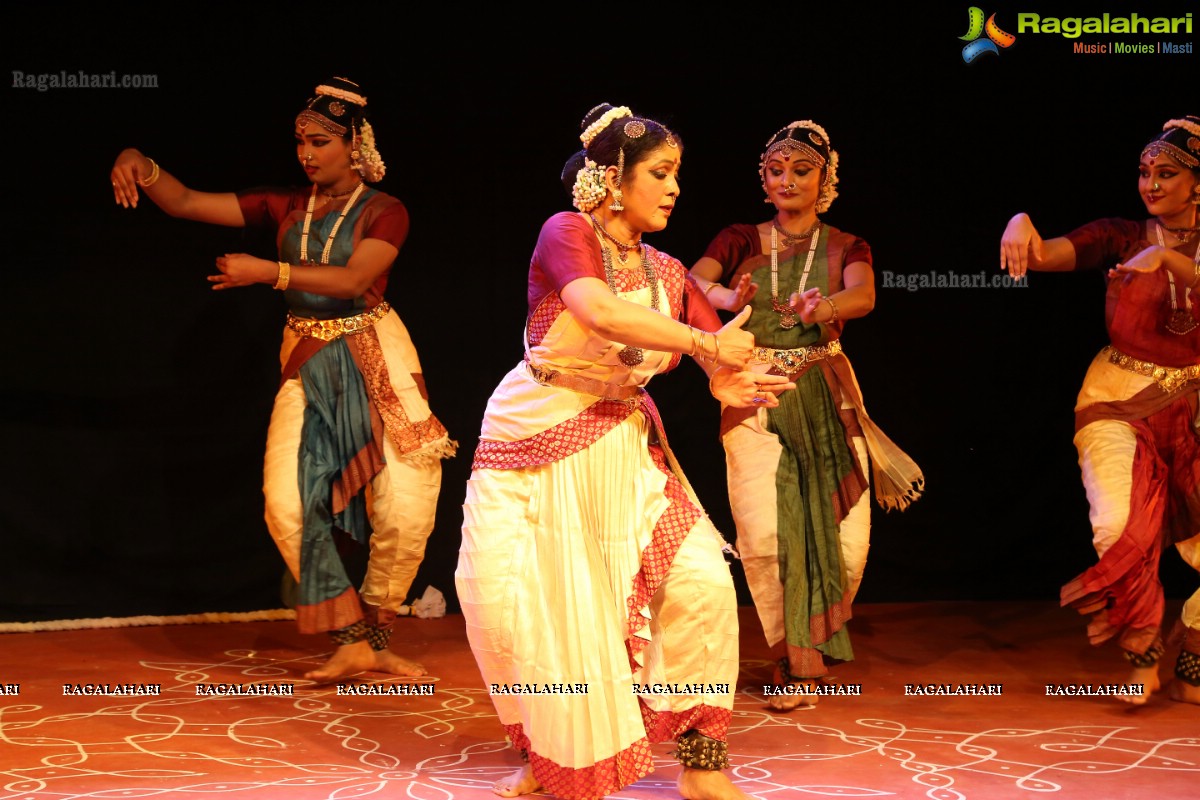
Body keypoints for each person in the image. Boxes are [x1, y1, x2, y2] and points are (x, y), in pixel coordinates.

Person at [455, 103, 792, 800]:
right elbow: (599, 310)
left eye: (677, 176)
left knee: (699, 581)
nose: (674, 189)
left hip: (622, 442)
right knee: (518, 602)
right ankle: (550, 755)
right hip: (533, 435)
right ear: (613, 178)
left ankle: (703, 762)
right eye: (661, 173)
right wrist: (704, 344)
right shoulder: (566, 233)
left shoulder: (669, 274)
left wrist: (735, 378)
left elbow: (717, 361)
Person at [110, 77, 456, 684]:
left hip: (377, 350)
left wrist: (266, 272)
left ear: (353, 144)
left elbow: (352, 281)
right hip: (306, 356)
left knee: (406, 502)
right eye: (300, 142)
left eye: (319, 141)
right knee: (284, 502)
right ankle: (349, 637)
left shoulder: (385, 211)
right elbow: (187, 201)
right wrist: (138, 161)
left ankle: (376, 632)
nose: (306, 153)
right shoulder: (283, 206)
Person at [690, 120, 924, 712]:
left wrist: (826, 307)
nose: (788, 180)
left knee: (847, 543)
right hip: (755, 390)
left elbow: (863, 295)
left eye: (802, 169)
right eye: (776, 170)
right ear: (763, 178)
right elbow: (693, 281)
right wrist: (725, 300)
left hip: (826, 392)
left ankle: (809, 641)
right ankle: (798, 662)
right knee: (767, 533)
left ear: (824, 178)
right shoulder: (739, 237)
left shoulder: (848, 244)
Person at [1000, 115, 1200, 706]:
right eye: (1144, 173)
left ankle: (1193, 641)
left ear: (1198, 183)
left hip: (1194, 405)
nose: (1151, 185)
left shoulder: (1163, 251)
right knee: (1116, 527)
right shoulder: (1120, 234)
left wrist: (1167, 262)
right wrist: (1021, 223)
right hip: (1119, 398)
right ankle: (1143, 648)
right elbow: (1043, 254)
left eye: (1167, 174)